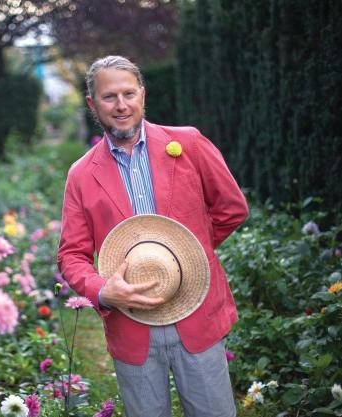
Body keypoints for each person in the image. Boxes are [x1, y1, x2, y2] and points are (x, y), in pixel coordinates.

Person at [57, 55, 249, 417]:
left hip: (198, 315)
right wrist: (102, 290)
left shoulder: (187, 143)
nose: (121, 105)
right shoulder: (81, 174)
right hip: (131, 324)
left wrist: (185, 258)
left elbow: (232, 208)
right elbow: (71, 255)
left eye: (129, 93)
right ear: (91, 104)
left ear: (143, 95)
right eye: (109, 96)